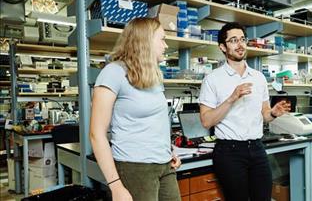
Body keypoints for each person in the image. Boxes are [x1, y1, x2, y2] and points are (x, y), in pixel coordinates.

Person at [89, 18, 181, 201]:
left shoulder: (153, 75)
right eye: (162, 39)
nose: (166, 45)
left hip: (164, 164)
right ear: (145, 41)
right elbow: (96, 134)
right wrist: (115, 185)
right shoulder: (113, 72)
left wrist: (168, 150)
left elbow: (153, 122)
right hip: (134, 168)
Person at [199, 22, 290, 201]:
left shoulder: (258, 77)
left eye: (242, 39)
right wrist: (232, 98)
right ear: (222, 47)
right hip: (229, 152)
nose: (240, 44)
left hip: (257, 148)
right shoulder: (212, 79)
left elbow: (264, 114)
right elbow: (206, 121)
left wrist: (273, 113)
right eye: (233, 40)